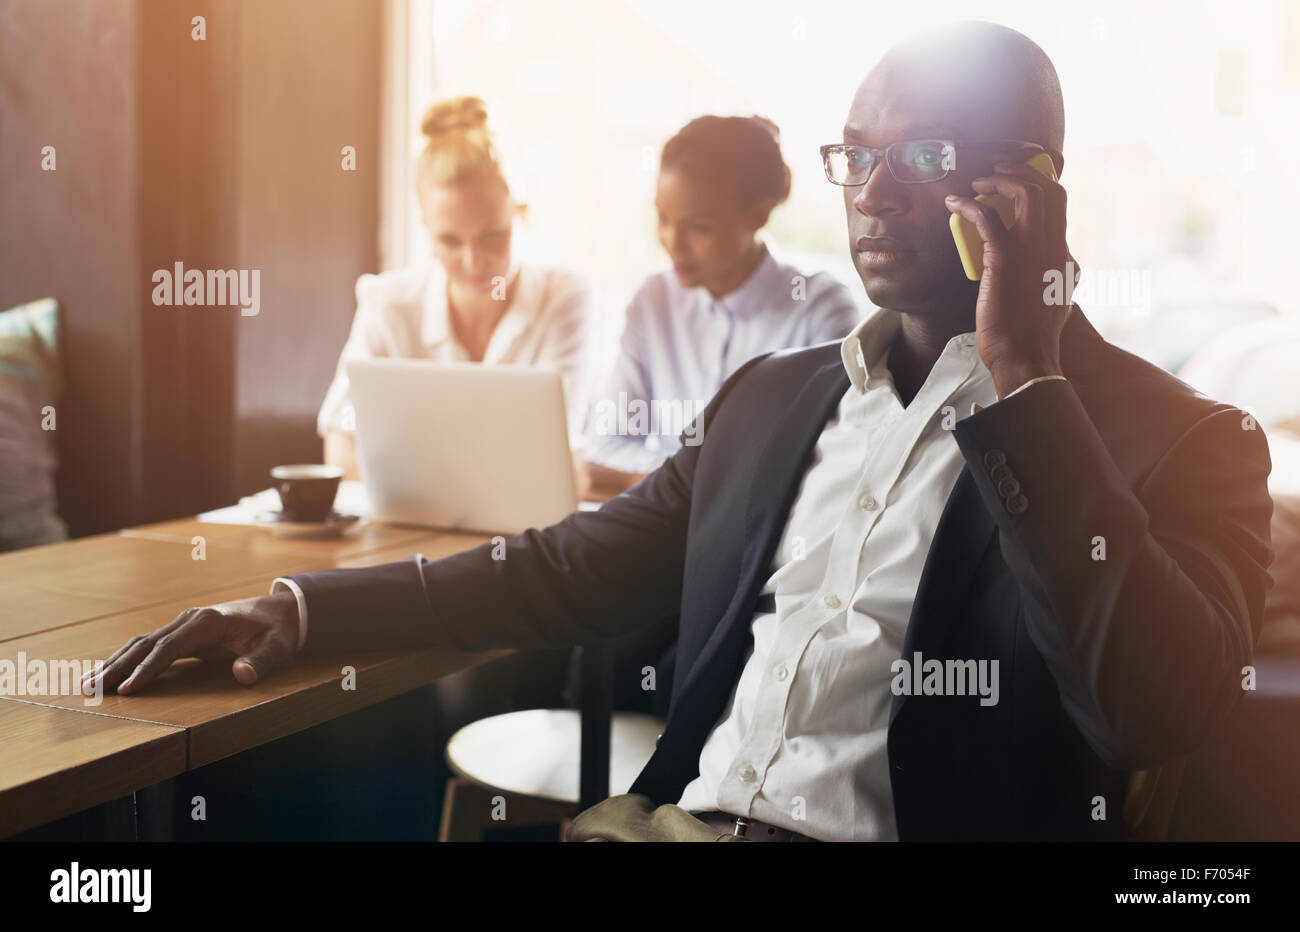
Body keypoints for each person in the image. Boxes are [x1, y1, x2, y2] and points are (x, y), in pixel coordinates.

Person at [91, 21, 1275, 842]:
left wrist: (1026, 386)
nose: (870, 192)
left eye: (919, 155)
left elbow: (1147, 712)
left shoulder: (1178, 443)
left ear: (1030, 185)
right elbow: (562, 569)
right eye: (857, 156)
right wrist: (299, 610)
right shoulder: (773, 398)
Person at [579, 115, 860, 501]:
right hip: (652, 537)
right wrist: (709, 492)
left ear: (758, 215)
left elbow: (819, 466)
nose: (672, 243)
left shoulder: (820, 310)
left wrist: (649, 484)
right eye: (663, 219)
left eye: (698, 228)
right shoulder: (653, 300)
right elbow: (603, 449)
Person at [319, 95, 593, 478]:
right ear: (425, 228)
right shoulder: (388, 302)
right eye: (450, 242)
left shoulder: (561, 298)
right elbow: (341, 443)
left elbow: (552, 448)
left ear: (521, 213)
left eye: (492, 236)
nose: (473, 261)